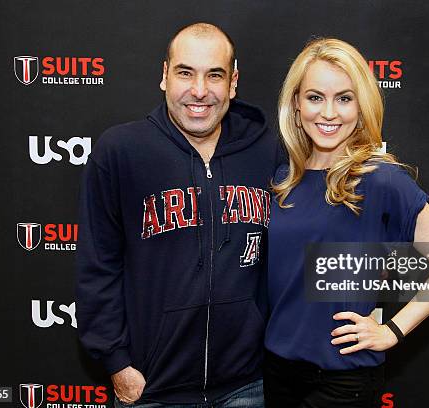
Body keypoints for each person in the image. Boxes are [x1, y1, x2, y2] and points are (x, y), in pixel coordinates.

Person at [76, 23, 281, 407]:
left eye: (214, 75)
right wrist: (117, 364)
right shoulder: (121, 152)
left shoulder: (267, 152)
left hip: (247, 387)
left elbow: (309, 239)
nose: (200, 91)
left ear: (233, 83)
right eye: (185, 72)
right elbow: (97, 265)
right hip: (151, 388)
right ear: (164, 76)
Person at [264, 38, 429, 407]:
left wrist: (393, 330)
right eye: (315, 97)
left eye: (344, 98)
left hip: (343, 382)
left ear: (362, 105)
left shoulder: (379, 179)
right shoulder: (283, 179)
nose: (328, 113)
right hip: (276, 373)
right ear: (296, 103)